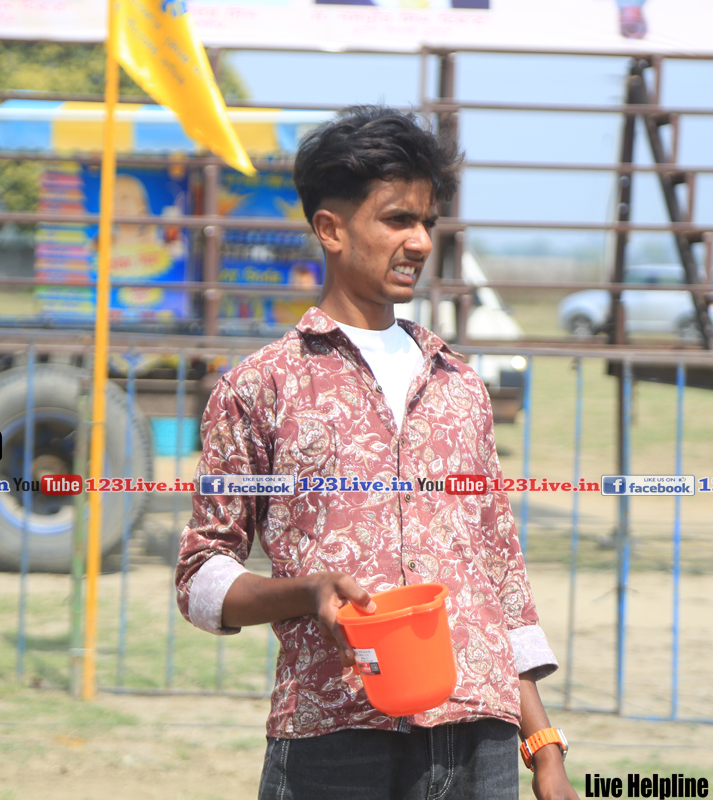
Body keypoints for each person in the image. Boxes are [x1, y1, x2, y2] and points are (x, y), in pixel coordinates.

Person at [176, 106, 578, 800]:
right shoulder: (262, 386)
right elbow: (201, 577)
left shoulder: (460, 385)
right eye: (397, 220)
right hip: (334, 731)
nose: (419, 241)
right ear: (330, 229)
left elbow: (499, 576)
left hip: (479, 733)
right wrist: (305, 594)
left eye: (427, 222)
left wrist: (543, 747)